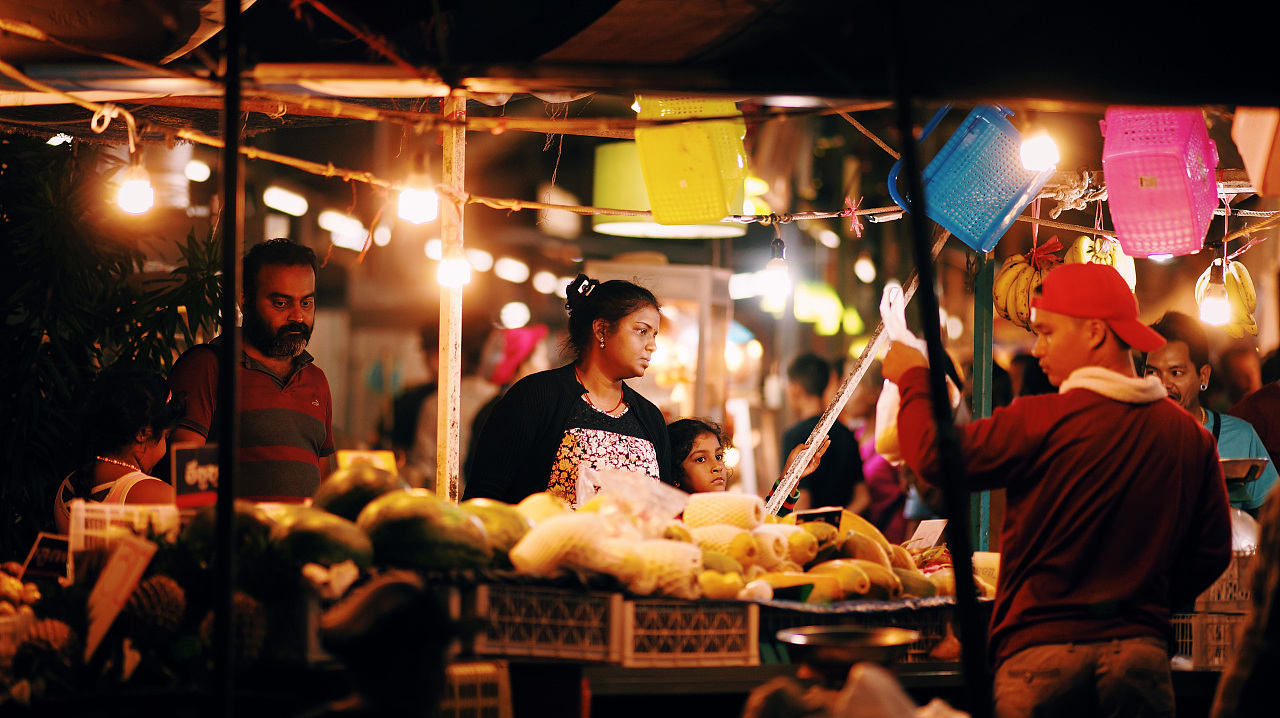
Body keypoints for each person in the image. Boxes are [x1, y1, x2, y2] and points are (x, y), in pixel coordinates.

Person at [883, 262, 1231, 718]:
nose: (1037, 347)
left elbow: (932, 456)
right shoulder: (1189, 436)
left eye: (1047, 331)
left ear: (1094, 332)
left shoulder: (1040, 420)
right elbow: (1211, 552)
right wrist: (1142, 604)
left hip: (1041, 662)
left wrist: (914, 378)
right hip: (1139, 663)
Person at [463, 274, 670, 506]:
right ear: (601, 329)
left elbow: (662, 508)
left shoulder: (649, 418)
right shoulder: (536, 397)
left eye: (654, 335)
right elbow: (485, 495)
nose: (652, 346)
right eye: (642, 331)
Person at [165, 238, 335, 502]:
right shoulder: (208, 366)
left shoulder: (317, 380)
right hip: (236, 542)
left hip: (300, 540)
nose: (298, 317)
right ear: (245, 300)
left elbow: (325, 485)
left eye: (306, 303)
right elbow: (187, 481)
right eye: (281, 303)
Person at [1144, 311, 1278, 513]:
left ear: (1203, 377)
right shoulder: (1132, 438)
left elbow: (1270, 517)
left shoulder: (1241, 437)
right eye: (1152, 372)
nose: (1162, 384)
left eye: (1176, 373)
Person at [54, 366, 183, 533]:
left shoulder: (67, 488)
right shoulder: (160, 498)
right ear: (143, 434)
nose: (165, 449)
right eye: (166, 436)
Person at [408, 320, 497, 490]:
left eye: (439, 355)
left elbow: (425, 468)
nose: (434, 365)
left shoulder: (436, 403)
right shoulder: (505, 398)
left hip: (445, 505)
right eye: (429, 357)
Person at [781, 353, 868, 514]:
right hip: (843, 534)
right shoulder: (847, 434)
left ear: (795, 389)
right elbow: (863, 497)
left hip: (809, 534)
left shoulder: (794, 436)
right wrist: (836, 525)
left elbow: (802, 501)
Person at [464, 323, 551, 479]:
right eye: (542, 357)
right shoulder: (506, 411)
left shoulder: (516, 405)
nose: (547, 365)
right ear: (523, 365)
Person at [667, 417, 828, 498]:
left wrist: (792, 474)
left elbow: (767, 523)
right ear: (675, 475)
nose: (717, 466)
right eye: (700, 459)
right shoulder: (675, 525)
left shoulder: (728, 513)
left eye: (718, 456)